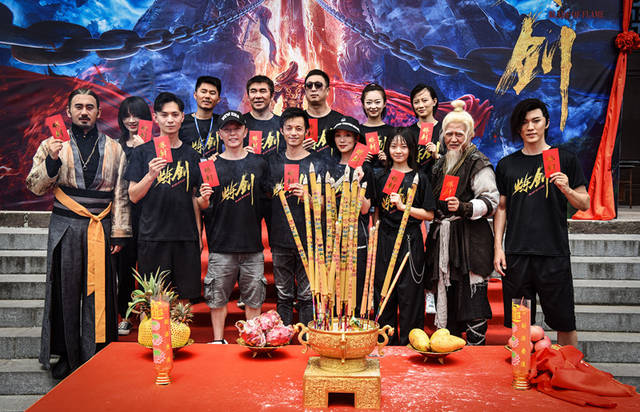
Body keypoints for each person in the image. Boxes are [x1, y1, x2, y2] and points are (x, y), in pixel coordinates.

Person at [26, 88, 131, 379]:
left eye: (89, 107)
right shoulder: (52, 144)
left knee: (102, 290)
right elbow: (35, 186)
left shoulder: (114, 148)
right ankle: (66, 354)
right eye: (78, 107)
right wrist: (52, 161)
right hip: (66, 225)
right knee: (65, 290)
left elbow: (121, 192)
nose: (84, 112)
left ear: (99, 112)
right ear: (69, 112)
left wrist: (119, 232)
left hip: (101, 225)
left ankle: (99, 350)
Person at [494, 98, 589, 347]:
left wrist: (567, 188)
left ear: (546, 122)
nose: (530, 127)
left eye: (536, 121)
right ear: (518, 128)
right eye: (524, 122)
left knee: (564, 321)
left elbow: (584, 203)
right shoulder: (507, 165)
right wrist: (498, 248)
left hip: (553, 253)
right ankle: (522, 366)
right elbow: (501, 208)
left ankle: (568, 366)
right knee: (520, 323)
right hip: (517, 254)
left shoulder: (564, 159)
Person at [126, 92, 212, 302]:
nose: (170, 120)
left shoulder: (192, 155)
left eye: (175, 114)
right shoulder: (142, 152)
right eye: (164, 115)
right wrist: (150, 175)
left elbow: (196, 201)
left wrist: (198, 234)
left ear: (183, 117)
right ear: (155, 118)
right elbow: (133, 196)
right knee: (154, 301)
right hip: (153, 236)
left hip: (185, 237)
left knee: (185, 300)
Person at [426, 100, 498, 345]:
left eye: (459, 134)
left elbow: (491, 201)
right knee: (449, 295)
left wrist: (465, 207)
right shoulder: (439, 164)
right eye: (449, 134)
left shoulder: (478, 161)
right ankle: (451, 348)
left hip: (470, 241)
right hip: (444, 239)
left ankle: (477, 352)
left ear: (469, 135)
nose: (454, 139)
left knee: (472, 299)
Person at [202, 111, 270, 344]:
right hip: (221, 245)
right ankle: (218, 339)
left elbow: (267, 201)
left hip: (252, 246)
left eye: (237, 129)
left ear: (245, 131)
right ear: (220, 134)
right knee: (217, 298)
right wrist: (203, 199)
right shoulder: (210, 166)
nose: (232, 134)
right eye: (227, 130)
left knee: (254, 298)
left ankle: (253, 339)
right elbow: (203, 205)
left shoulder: (259, 164)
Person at [266, 107, 330, 326]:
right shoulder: (272, 162)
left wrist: (308, 197)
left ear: (306, 132)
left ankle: (307, 338)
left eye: (298, 128)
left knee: (306, 295)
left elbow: (326, 205)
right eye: (289, 128)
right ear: (281, 131)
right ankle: (282, 337)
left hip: (309, 239)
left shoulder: (318, 163)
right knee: (283, 294)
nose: (294, 133)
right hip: (280, 238)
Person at [373, 128, 435, 346]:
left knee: (410, 294)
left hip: (410, 240)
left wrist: (403, 207)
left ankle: (411, 344)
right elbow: (376, 211)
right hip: (384, 239)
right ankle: (384, 344)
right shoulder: (380, 176)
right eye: (393, 146)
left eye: (403, 146)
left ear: (411, 150)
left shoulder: (420, 178)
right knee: (383, 293)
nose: (398, 151)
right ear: (387, 149)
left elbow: (429, 214)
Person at [326, 116, 373, 314]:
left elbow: (365, 209)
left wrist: (357, 181)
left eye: (347, 135)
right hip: (331, 235)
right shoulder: (328, 167)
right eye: (338, 135)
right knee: (332, 290)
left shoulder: (365, 169)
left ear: (356, 139)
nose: (342, 140)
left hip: (357, 235)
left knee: (356, 288)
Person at [114, 96, 150, 336]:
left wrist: (144, 148)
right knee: (124, 268)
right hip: (124, 214)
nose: (131, 120)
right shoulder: (115, 145)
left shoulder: (155, 145)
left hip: (148, 214)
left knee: (147, 267)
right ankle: (125, 315)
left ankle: (147, 314)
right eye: (126, 116)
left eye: (136, 115)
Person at [302, 69, 344, 157]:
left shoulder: (341, 121)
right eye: (309, 85)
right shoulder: (297, 120)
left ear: (327, 90)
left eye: (318, 85)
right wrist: (297, 151)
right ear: (305, 90)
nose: (313, 89)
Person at [180, 76, 223, 158]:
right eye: (203, 92)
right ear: (195, 95)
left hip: (217, 166)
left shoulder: (223, 122)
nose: (207, 96)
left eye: (212, 93)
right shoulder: (181, 122)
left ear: (218, 99)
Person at [243, 75, 284, 156]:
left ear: (272, 96)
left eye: (263, 91)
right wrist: (239, 154)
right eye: (253, 91)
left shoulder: (282, 123)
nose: (258, 96)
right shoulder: (239, 123)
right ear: (248, 96)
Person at [408, 84, 445, 174]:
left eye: (425, 100)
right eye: (416, 102)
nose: (421, 105)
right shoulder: (407, 132)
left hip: (438, 180)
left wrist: (437, 156)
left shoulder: (445, 131)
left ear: (434, 102)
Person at [359, 83, 392, 172]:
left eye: (377, 102)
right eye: (369, 103)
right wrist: (359, 158)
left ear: (384, 103)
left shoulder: (393, 132)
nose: (373, 106)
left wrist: (388, 161)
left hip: (385, 178)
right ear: (363, 104)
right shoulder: (356, 131)